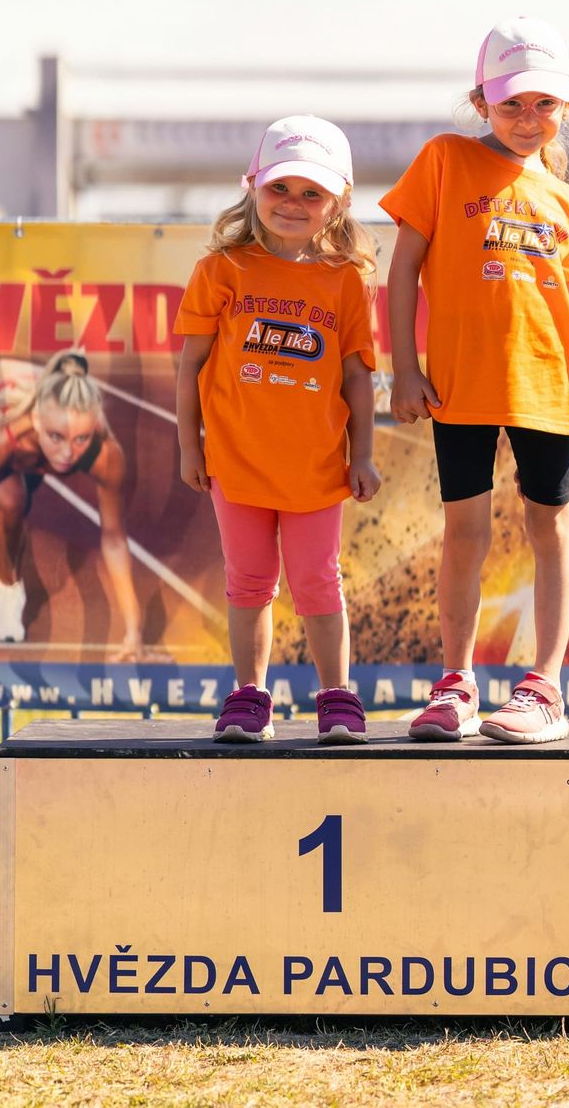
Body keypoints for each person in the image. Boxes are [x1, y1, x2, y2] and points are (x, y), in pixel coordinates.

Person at [380, 16, 569, 744]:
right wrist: (403, 367)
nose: (528, 119)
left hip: (546, 386)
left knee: (551, 524)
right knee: (464, 532)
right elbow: (404, 266)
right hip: (460, 386)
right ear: (482, 103)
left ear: (566, 106)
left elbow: (558, 303)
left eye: (544, 104)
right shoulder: (443, 159)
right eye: (512, 104)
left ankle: (544, 687)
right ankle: (456, 683)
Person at [175, 115, 381, 745]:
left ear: (338, 201)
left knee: (319, 581)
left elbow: (357, 379)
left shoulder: (346, 281)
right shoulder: (221, 271)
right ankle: (249, 695)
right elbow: (191, 368)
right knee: (249, 581)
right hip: (235, 466)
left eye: (311, 193)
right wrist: (190, 446)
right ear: (253, 188)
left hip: (317, 471)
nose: (293, 205)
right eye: (280, 190)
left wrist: (363, 456)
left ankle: (336, 697)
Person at [0, 349, 147, 661]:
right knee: (9, 498)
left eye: (81, 439)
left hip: (33, 436)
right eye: (57, 437)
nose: (68, 454)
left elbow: (114, 538)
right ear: (36, 419)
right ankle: (7, 586)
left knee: (20, 495)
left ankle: (0, 540)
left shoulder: (105, 452)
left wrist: (134, 632)